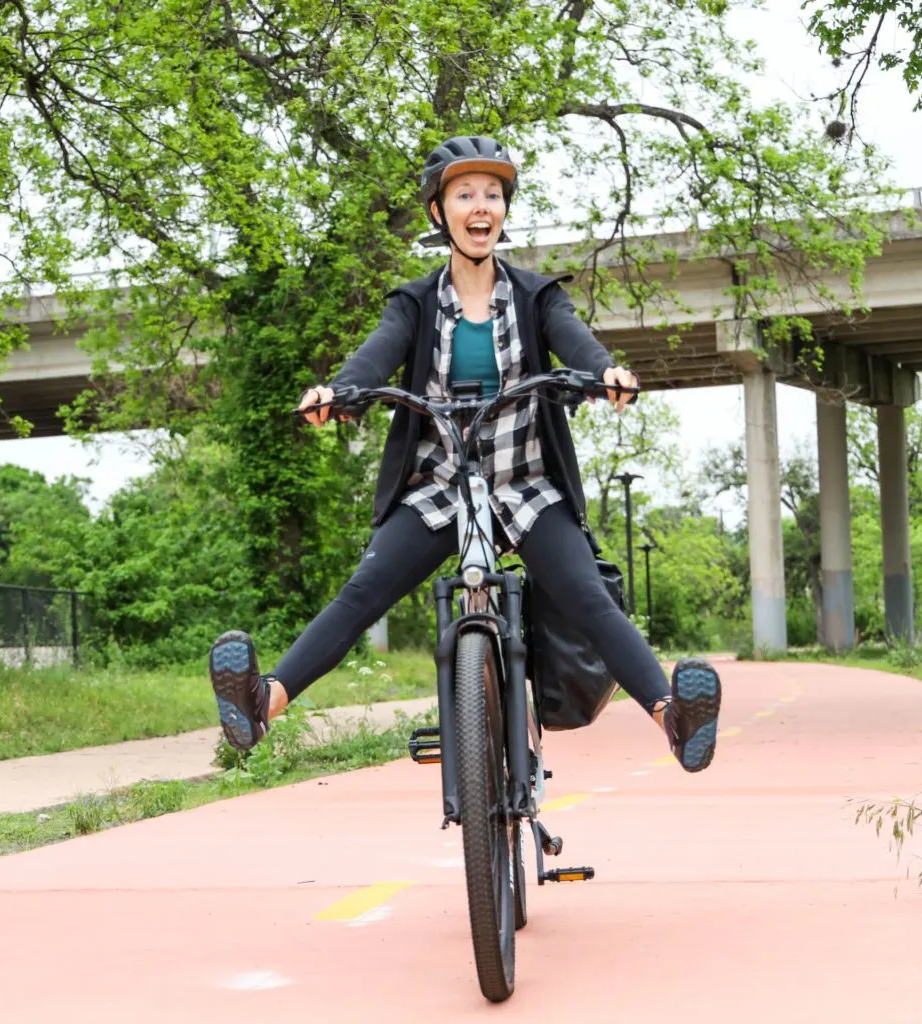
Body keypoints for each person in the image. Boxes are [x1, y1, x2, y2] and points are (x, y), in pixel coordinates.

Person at [209, 135, 721, 773]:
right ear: (438, 212)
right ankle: (261, 705)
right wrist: (337, 392)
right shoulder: (416, 303)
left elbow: (574, 340)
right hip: (439, 484)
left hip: (527, 483)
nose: (482, 206)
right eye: (464, 195)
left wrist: (605, 371)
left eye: (493, 194)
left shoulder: (537, 296)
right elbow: (377, 352)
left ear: (504, 209)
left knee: (588, 596)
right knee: (362, 591)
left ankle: (674, 715)